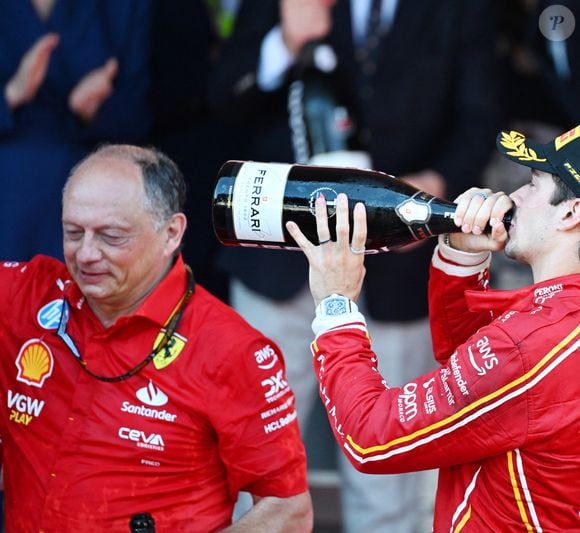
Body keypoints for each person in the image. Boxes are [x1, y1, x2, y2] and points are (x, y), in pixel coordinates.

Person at [209, 0, 498, 529]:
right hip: (280, 261)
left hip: (398, 270)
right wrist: (285, 43)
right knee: (249, 465)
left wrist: (438, 183)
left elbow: (481, 117)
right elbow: (221, 100)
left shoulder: (461, 10)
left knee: (386, 482)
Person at [0, 144, 313, 532]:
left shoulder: (232, 350)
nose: (86, 254)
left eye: (111, 236)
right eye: (73, 232)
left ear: (171, 233)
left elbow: (288, 510)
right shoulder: (24, 296)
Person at [285, 125, 580, 530]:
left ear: (570, 212)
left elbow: (371, 438)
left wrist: (336, 305)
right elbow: (477, 377)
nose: (513, 197)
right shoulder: (547, 331)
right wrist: (462, 255)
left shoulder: (533, 346)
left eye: (533, 184)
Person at [0, 0, 151, 261]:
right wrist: (12, 93)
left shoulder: (123, 7)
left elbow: (139, 116)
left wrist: (88, 111)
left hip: (86, 187)